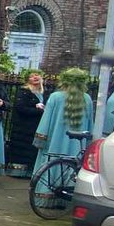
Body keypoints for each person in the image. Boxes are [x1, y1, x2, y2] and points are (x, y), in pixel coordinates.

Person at [32, 68, 93, 208]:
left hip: (54, 140)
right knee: (72, 166)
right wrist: (88, 141)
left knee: (50, 164)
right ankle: (65, 199)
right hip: (76, 143)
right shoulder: (87, 98)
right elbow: (90, 123)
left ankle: (46, 196)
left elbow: (46, 120)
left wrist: (40, 138)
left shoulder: (55, 97)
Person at [6, 70, 46, 179]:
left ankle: (30, 171)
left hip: (36, 126)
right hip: (23, 126)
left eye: (37, 75)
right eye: (32, 76)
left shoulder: (44, 93)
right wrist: (37, 109)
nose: (35, 77)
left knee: (32, 149)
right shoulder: (24, 91)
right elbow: (20, 108)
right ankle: (18, 172)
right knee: (21, 149)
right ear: (28, 79)